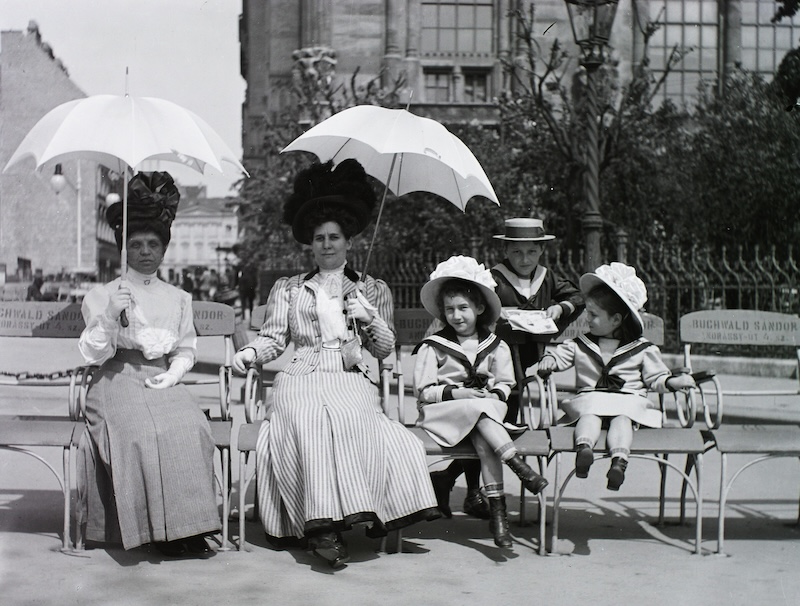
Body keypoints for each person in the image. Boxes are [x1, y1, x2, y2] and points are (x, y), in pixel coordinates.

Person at [231, 159, 439, 569]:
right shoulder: (290, 289)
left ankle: (343, 517)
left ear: (349, 241)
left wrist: (370, 318)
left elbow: (384, 350)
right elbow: (274, 338)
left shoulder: (371, 289)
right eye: (320, 238)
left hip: (349, 373)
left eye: (334, 237)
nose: (327, 245)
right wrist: (251, 353)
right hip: (302, 372)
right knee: (306, 417)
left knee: (350, 417)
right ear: (311, 244)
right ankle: (322, 528)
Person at [76, 171, 220, 557]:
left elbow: (185, 348)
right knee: (140, 430)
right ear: (125, 249)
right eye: (136, 244)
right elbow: (92, 354)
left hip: (161, 378)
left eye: (153, 244)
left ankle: (190, 526)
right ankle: (156, 530)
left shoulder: (179, 298)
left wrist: (174, 373)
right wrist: (110, 314)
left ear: (163, 249)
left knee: (190, 426)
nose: (144, 252)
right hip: (116, 378)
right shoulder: (104, 294)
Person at [429, 217, 584, 520]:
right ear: (506, 250)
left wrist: (560, 307)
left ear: (542, 251)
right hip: (494, 359)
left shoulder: (547, 278)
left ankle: (449, 480)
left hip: (527, 359)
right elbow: (475, 309)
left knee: (502, 425)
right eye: (516, 252)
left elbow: (576, 297)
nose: (524, 259)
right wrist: (493, 317)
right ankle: (471, 491)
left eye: (531, 252)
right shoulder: (494, 278)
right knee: (489, 423)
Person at [413, 255, 549, 548]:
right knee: (479, 412)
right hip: (445, 413)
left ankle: (498, 516)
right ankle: (515, 465)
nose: (456, 315)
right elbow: (424, 391)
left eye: (463, 308)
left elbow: (506, 384)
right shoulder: (433, 346)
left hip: (484, 410)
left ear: (479, 308)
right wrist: (458, 393)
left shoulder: (496, 345)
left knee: (484, 434)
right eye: (449, 309)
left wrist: (493, 394)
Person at [535, 262, 696, 490]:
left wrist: (672, 382)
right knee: (589, 416)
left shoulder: (642, 349)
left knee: (623, 420)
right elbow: (560, 357)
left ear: (616, 320)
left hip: (627, 401)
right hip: (592, 399)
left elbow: (656, 377)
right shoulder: (580, 344)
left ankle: (619, 462)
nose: (587, 319)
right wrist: (550, 360)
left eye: (593, 315)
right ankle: (584, 450)